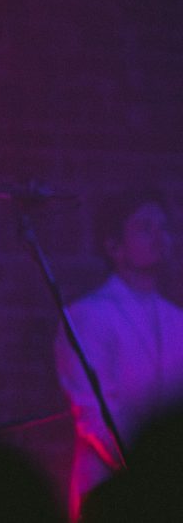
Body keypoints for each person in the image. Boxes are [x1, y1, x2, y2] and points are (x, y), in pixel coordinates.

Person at [54, 188, 183, 519]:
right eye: (145, 228)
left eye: (164, 227)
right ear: (114, 246)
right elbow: (96, 414)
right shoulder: (89, 315)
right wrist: (151, 468)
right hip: (110, 490)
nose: (159, 237)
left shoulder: (176, 319)